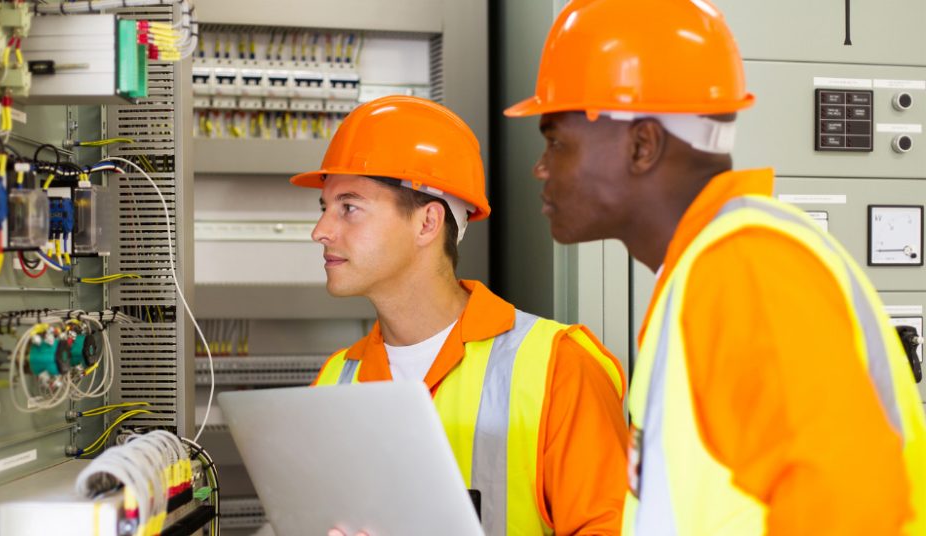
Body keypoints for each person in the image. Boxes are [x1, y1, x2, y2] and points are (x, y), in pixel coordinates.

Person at [505, 0, 926, 533]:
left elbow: (852, 509)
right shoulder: (705, 272)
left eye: (556, 141)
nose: (541, 167)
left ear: (642, 144)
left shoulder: (745, 270)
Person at [292, 95, 629, 535]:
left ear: (427, 223)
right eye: (324, 209)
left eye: (349, 208)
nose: (321, 231)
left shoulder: (559, 368)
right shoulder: (337, 379)